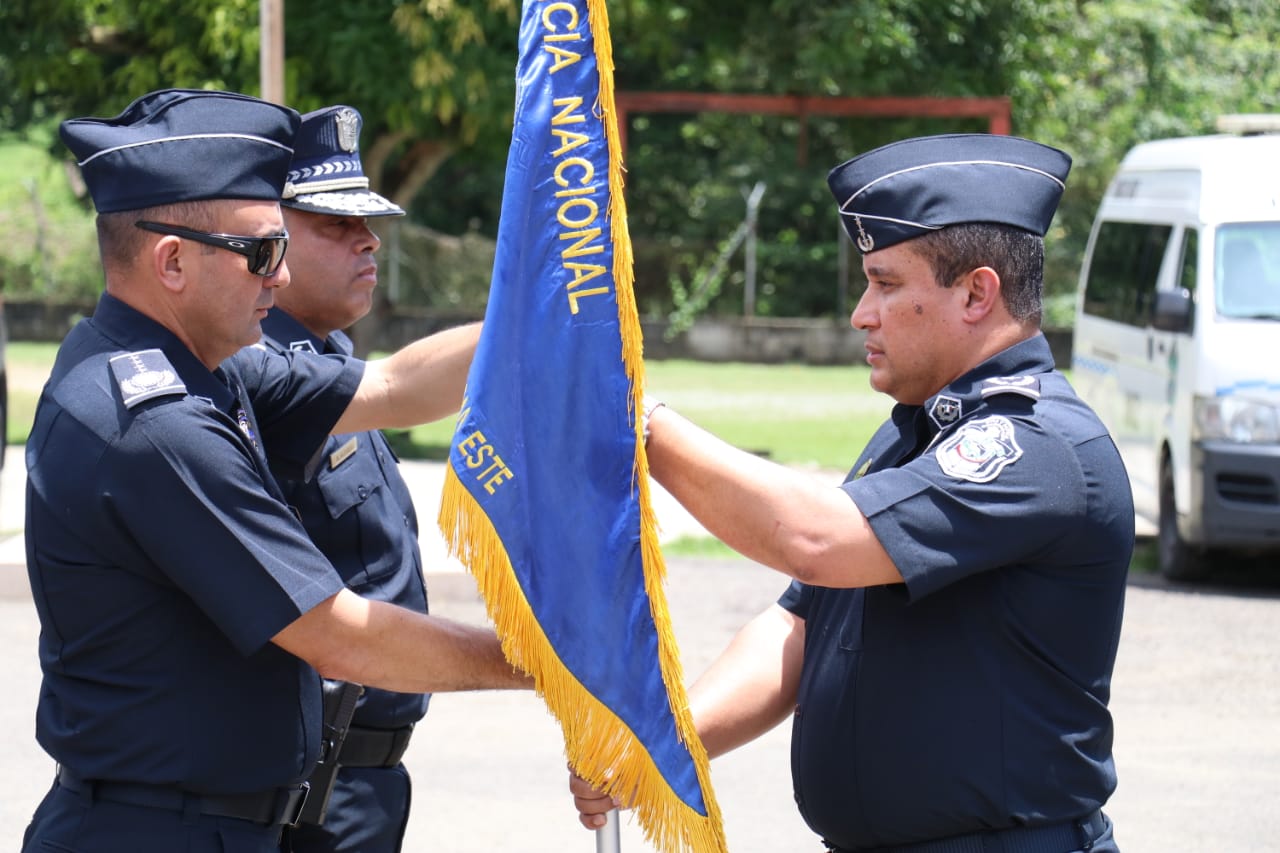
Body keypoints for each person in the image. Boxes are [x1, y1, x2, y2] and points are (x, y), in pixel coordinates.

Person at [571, 134, 1132, 853]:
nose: (862, 313)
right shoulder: (913, 433)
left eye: (886, 284)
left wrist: (636, 421)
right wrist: (657, 743)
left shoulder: (1038, 446)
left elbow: (816, 541)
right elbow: (801, 626)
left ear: (976, 293)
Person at [22, 88, 531, 853]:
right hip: (155, 829)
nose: (282, 278)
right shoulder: (156, 424)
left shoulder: (198, 364)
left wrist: (544, 322)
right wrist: (548, 665)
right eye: (262, 252)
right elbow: (340, 636)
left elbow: (394, 387)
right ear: (171, 261)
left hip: (198, 821)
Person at [255, 103, 430, 853]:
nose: (368, 239)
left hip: (363, 780)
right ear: (268, 237)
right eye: (335, 223)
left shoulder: (330, 359)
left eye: (367, 221)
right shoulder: (261, 375)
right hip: (305, 785)